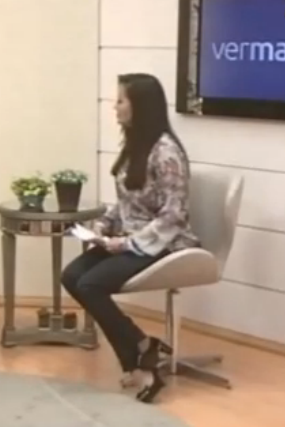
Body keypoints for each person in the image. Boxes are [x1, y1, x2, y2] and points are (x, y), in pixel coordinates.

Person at [61, 73, 199, 403]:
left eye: (121, 100)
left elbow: (174, 216)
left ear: (140, 106)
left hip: (164, 243)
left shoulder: (166, 153)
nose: (115, 106)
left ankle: (138, 358)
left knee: (91, 284)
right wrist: (102, 226)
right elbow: (127, 204)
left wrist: (125, 244)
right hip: (129, 238)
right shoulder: (134, 145)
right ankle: (142, 345)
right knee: (72, 276)